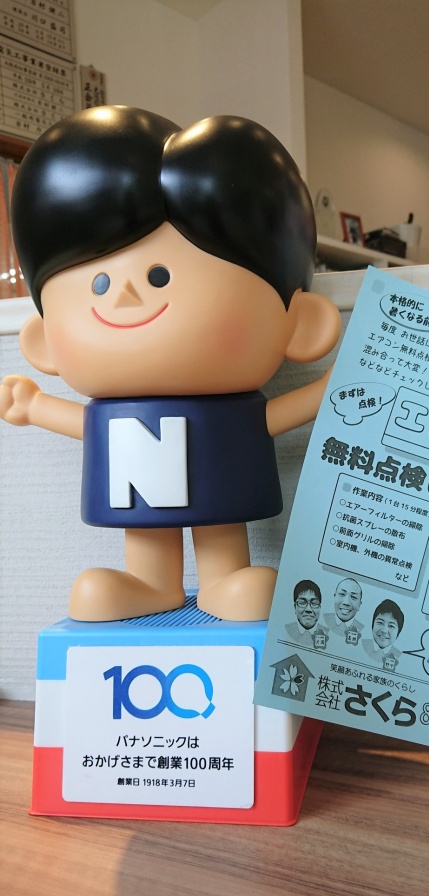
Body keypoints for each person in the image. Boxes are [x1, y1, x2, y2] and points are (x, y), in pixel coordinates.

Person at [0, 106, 340, 623]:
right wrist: (35, 407)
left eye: (159, 276)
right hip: (139, 489)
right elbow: (90, 429)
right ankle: (150, 584)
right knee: (147, 528)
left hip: (219, 491)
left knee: (220, 526)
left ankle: (223, 580)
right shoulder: (114, 413)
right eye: (98, 283)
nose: (125, 296)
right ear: (42, 340)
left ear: (301, 325)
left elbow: (269, 419)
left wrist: (331, 390)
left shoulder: (232, 409)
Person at [285, 580, 328, 651]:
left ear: (319, 608)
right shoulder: (286, 631)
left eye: (314, 603)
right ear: (295, 607)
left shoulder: (328, 633)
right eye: (302, 603)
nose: (308, 609)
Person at [362, 599, 404, 671]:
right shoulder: (361, 645)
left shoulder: (400, 656)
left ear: (398, 631)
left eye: (391, 626)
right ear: (373, 624)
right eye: (380, 623)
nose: (384, 631)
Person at [324, 577, 363, 649]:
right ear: (334, 596)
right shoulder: (323, 620)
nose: (346, 602)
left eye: (353, 597)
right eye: (342, 594)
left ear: (359, 605)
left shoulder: (362, 629)